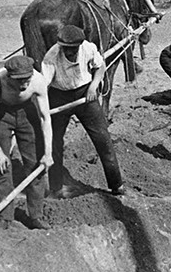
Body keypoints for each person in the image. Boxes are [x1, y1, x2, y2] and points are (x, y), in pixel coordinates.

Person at [41, 25, 125, 197]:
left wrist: (94, 86)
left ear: (79, 46)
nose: (70, 53)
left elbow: (99, 67)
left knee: (103, 138)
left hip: (86, 95)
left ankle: (116, 184)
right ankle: (56, 187)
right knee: (54, 142)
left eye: (73, 50)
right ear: (61, 46)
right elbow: (43, 87)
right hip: (59, 96)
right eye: (67, 50)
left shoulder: (88, 48)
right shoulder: (51, 57)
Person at [0, 55, 53, 233]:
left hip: (27, 113)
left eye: (26, 80)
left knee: (35, 164)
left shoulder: (38, 80)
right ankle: (3, 217)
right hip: (2, 115)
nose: (23, 85)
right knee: (1, 167)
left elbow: (45, 118)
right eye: (18, 81)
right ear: (9, 76)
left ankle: (36, 215)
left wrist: (48, 153)